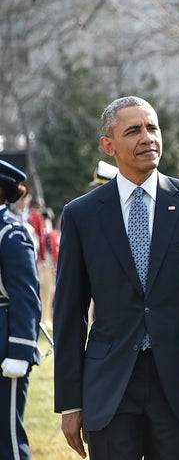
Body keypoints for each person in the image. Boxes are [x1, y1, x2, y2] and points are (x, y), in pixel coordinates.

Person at [53, 96, 179, 460]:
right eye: (133, 131)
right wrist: (70, 401)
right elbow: (68, 313)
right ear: (108, 145)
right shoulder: (82, 215)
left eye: (152, 127)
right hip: (110, 385)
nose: (148, 138)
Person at [0, 160, 42, 460]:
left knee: (7, 438)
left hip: (4, 341)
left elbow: (26, 296)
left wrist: (21, 351)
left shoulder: (11, 233)